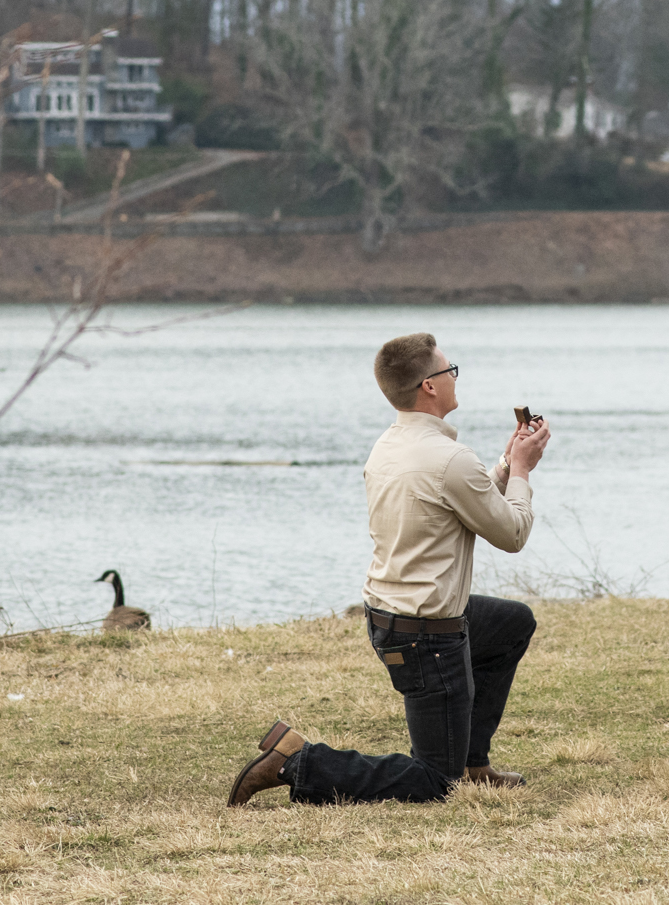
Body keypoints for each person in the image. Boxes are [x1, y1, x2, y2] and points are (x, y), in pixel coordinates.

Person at [228, 332, 551, 806]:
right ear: (429, 386)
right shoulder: (450, 459)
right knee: (434, 783)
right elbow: (513, 534)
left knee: (510, 623)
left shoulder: (391, 445)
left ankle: (472, 761)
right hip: (426, 638)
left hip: (394, 617)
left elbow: (463, 495)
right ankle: (297, 761)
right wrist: (522, 471)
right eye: (450, 370)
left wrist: (506, 463)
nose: (455, 377)